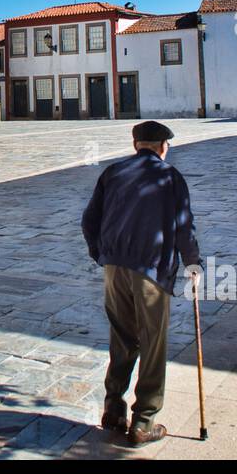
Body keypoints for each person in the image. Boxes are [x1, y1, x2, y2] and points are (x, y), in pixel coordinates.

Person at [81, 120, 203, 446]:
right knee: (152, 341)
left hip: (114, 267)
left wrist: (101, 254)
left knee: (122, 336)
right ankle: (144, 420)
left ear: (136, 145)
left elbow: (89, 220)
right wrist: (192, 263)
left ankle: (113, 408)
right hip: (150, 270)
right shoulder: (170, 177)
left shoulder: (113, 172)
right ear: (163, 147)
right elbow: (183, 226)